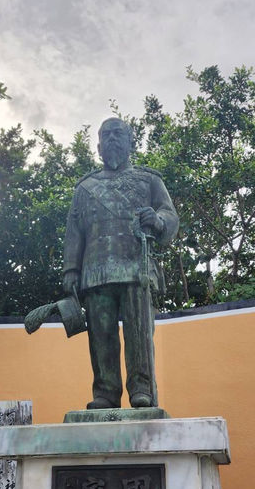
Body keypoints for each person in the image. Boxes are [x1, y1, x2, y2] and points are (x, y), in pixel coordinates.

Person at [62, 118, 179, 409]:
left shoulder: (149, 180)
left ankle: (142, 389)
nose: (112, 139)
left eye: (119, 134)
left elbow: (170, 216)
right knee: (101, 338)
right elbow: (74, 232)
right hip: (95, 272)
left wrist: (159, 220)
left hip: (135, 268)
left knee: (139, 334)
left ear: (131, 142)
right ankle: (105, 393)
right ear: (99, 147)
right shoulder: (85, 188)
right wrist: (71, 270)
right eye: (106, 136)